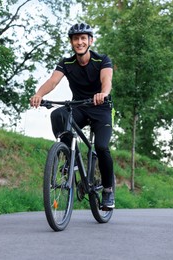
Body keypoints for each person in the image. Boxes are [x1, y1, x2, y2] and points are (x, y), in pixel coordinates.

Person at [29, 22, 115, 209]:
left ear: (90, 41)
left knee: (101, 147)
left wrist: (103, 94)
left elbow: (106, 79)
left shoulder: (102, 60)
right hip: (80, 107)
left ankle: (108, 190)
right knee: (58, 115)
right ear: (72, 43)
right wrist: (39, 95)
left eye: (83, 38)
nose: (79, 42)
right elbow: (53, 81)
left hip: (101, 108)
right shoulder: (66, 63)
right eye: (76, 39)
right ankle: (70, 157)